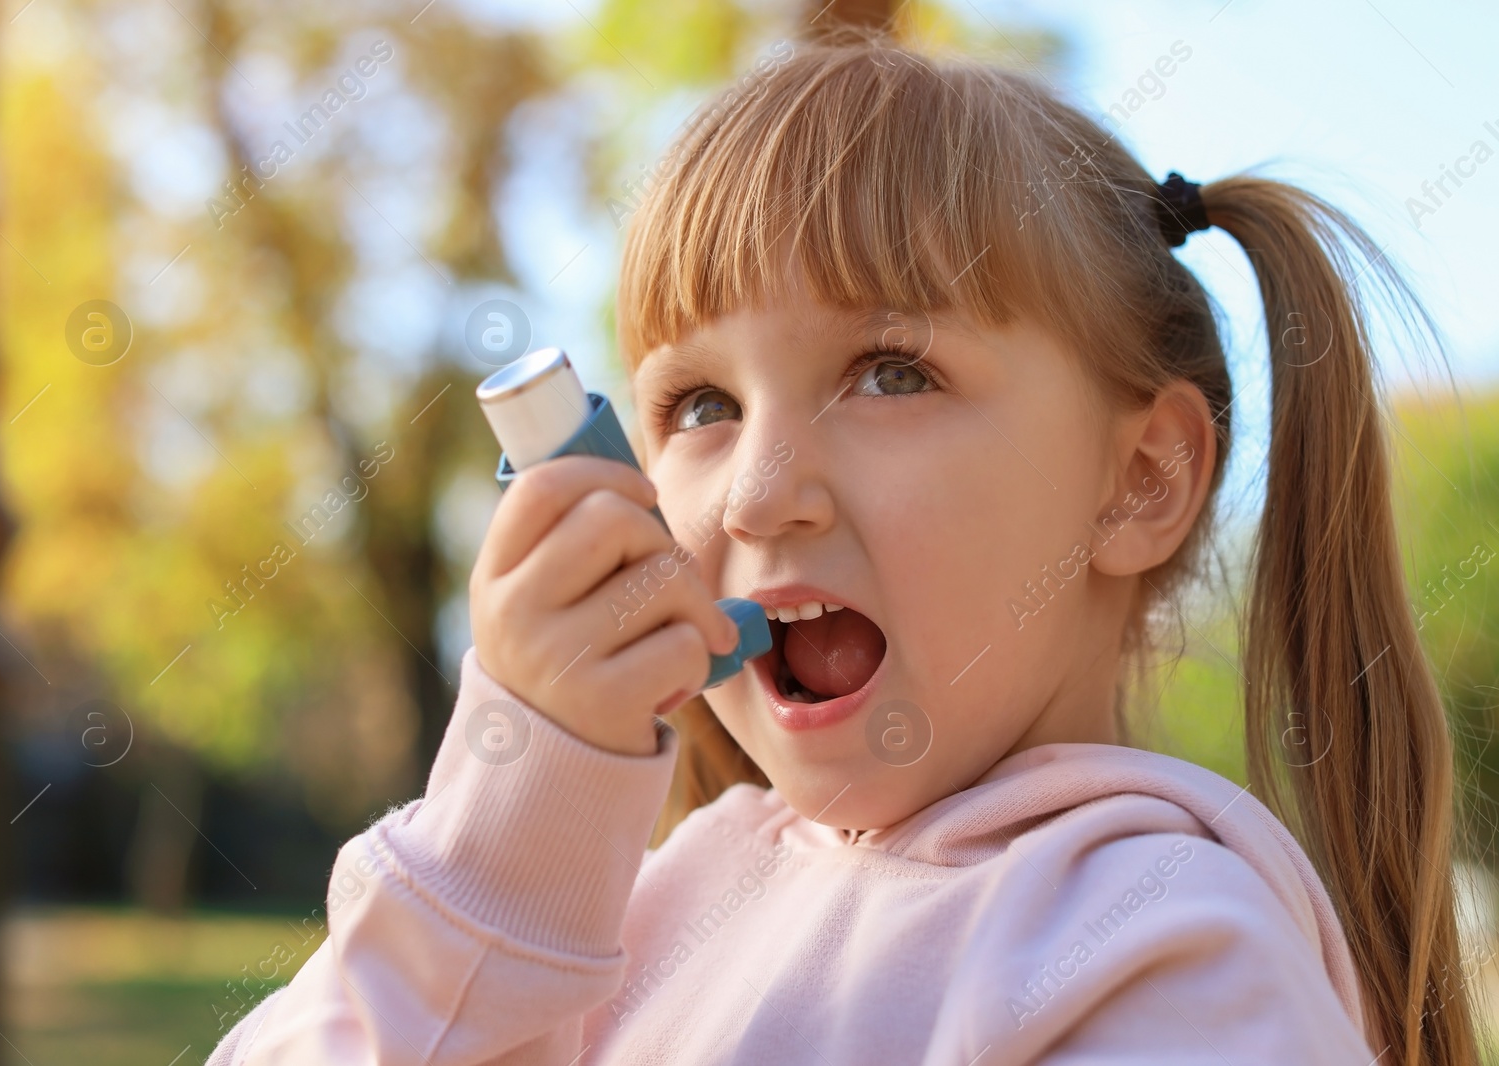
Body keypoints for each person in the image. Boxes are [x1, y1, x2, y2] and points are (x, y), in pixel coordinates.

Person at [208, 36, 1476, 1066]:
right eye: (700, 406)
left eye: (889, 373)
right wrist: (502, 846)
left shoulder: (1165, 948)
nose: (759, 496)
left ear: (1138, 480)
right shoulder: (648, 910)